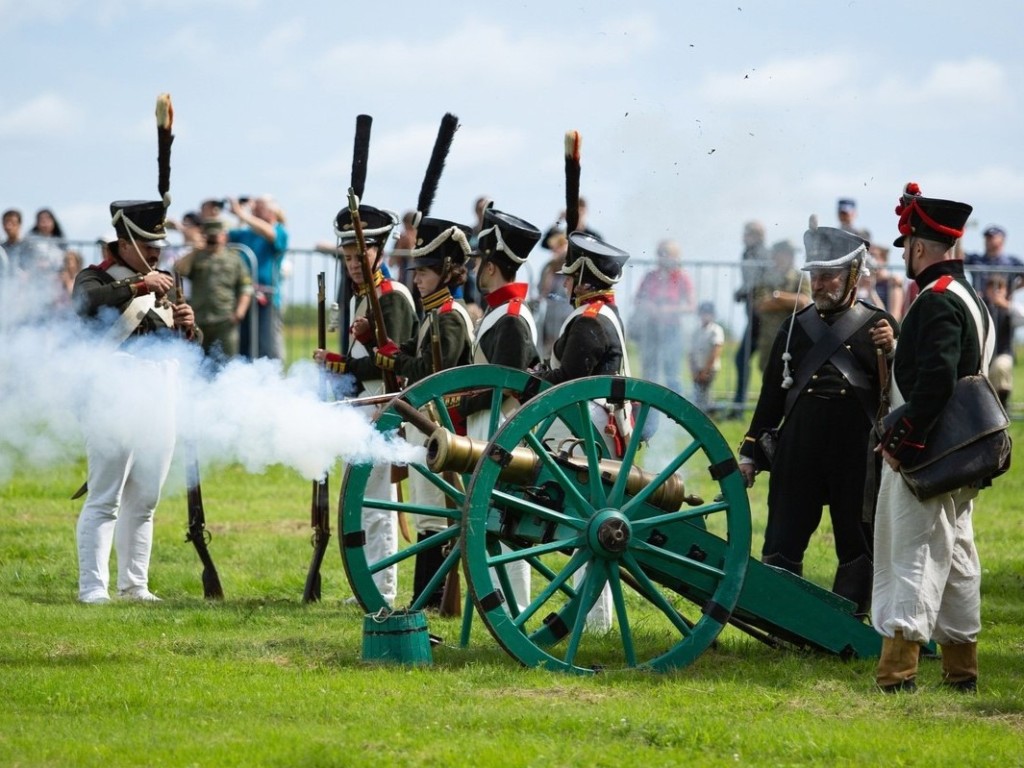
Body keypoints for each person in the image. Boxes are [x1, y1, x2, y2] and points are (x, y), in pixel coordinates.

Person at [738, 224, 897, 618]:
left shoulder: (881, 326)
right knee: (783, 537)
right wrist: (750, 452)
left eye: (829, 276)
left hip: (854, 454)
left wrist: (892, 353)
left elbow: (899, 395)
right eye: (815, 275)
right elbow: (771, 397)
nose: (820, 284)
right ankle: (781, 615)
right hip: (799, 450)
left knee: (856, 539)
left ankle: (849, 617)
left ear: (853, 278)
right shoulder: (794, 327)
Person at [873, 183, 985, 693]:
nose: (906, 257)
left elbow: (936, 384)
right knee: (958, 558)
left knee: (913, 554)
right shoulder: (967, 295)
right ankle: (962, 670)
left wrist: (902, 444)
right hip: (960, 454)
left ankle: (898, 673)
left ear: (918, 246)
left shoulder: (938, 301)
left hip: (931, 454)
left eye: (907, 248)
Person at [71, 199, 200, 604]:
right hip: (113, 390)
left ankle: (135, 585)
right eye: (146, 241)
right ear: (123, 240)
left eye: (158, 242)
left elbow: (181, 348)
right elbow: (89, 305)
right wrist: (141, 286)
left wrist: (190, 329)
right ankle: (93, 587)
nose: (156, 250)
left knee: (145, 497)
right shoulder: (95, 277)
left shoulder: (162, 280)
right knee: (105, 496)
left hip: (159, 390)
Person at [315, 202, 418, 606]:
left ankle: (382, 589)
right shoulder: (367, 295)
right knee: (364, 502)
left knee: (376, 503)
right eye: (348, 256)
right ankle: (370, 585)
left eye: (361, 255)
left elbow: (393, 359)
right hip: (364, 403)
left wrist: (343, 363)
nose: (354, 263)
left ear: (378, 249)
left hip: (383, 405)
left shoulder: (390, 297)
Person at [370, 216, 474, 608]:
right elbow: (415, 357)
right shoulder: (434, 312)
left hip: (443, 428)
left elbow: (435, 372)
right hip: (428, 427)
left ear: (447, 272)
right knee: (427, 515)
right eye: (418, 271)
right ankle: (428, 599)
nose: (418, 279)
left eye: (426, 272)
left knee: (435, 517)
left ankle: (431, 601)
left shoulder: (449, 315)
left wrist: (396, 361)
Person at [534, 231, 632, 632]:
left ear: (586, 281)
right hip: (596, 426)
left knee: (591, 523)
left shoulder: (590, 321)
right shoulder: (602, 315)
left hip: (588, 428)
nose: (566, 285)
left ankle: (594, 621)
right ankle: (593, 621)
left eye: (571, 278)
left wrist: (531, 379)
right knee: (588, 525)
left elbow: (569, 381)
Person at [458, 205, 542, 612]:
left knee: (504, 525)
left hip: (500, 430)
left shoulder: (510, 318)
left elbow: (506, 386)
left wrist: (457, 398)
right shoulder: (499, 313)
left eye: (479, 262)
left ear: (490, 268)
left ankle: (510, 611)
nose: (475, 269)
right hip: (485, 427)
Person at [173, 218, 253, 364]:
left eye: (216, 235)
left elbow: (245, 287)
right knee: (197, 364)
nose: (213, 239)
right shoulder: (197, 257)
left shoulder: (234, 258)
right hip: (199, 321)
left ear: (224, 236)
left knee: (227, 364)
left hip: (225, 320)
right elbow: (178, 271)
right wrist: (195, 251)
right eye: (209, 236)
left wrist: (239, 313)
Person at [631, 239, 695, 393]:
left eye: (666, 254)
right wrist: (649, 306)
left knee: (672, 375)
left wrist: (669, 309)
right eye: (660, 254)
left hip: (672, 329)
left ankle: (677, 414)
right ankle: (648, 415)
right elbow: (637, 299)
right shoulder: (650, 276)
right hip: (651, 328)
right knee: (649, 374)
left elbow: (691, 306)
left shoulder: (682, 278)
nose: (662, 258)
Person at [228, 195, 288, 360]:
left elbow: (270, 234)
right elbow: (224, 237)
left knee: (267, 345)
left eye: (260, 206)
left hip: (267, 297)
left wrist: (242, 214)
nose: (255, 209)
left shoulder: (280, 230)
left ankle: (272, 380)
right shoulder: (247, 233)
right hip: (244, 296)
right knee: (244, 347)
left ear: (272, 211)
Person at [752, 239, 812, 373]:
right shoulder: (764, 278)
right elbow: (761, 305)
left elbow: (803, 301)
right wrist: (789, 301)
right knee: (768, 374)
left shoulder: (800, 277)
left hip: (793, 337)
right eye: (785, 253)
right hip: (770, 337)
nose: (789, 257)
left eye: (790, 254)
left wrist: (778, 296)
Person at [729, 220, 769, 417]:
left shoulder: (760, 254)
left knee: (750, 360)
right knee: (742, 360)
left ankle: (740, 407)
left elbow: (758, 282)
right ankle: (739, 406)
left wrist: (742, 292)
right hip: (754, 316)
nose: (743, 236)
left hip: (761, 318)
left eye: (747, 233)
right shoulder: (748, 253)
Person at [981, 275, 1021, 408]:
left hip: (1003, 353)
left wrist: (1006, 304)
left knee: (1001, 366)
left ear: (1006, 291)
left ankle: (1002, 405)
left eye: (1000, 288)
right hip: (983, 356)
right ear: (987, 290)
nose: (996, 292)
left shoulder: (1010, 308)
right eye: (992, 288)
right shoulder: (981, 306)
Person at [536, 231, 572, 363]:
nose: (555, 252)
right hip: (549, 317)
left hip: (565, 315)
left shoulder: (571, 268)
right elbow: (542, 291)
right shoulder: (548, 267)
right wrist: (550, 272)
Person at [964, 225, 1023, 292]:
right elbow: (958, 256)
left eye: (991, 237)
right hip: (977, 301)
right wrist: (959, 234)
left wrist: (1009, 291)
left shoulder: (1012, 262)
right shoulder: (975, 259)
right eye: (987, 238)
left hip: (1001, 302)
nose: (987, 240)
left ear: (1002, 240)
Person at [689, 301, 724, 413]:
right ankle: (700, 412)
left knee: (705, 391)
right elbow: (691, 352)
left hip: (709, 368)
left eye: (708, 313)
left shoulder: (716, 330)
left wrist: (706, 370)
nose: (705, 316)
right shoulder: (696, 331)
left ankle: (708, 413)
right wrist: (693, 370)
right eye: (703, 313)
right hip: (697, 368)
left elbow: (716, 351)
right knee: (698, 392)